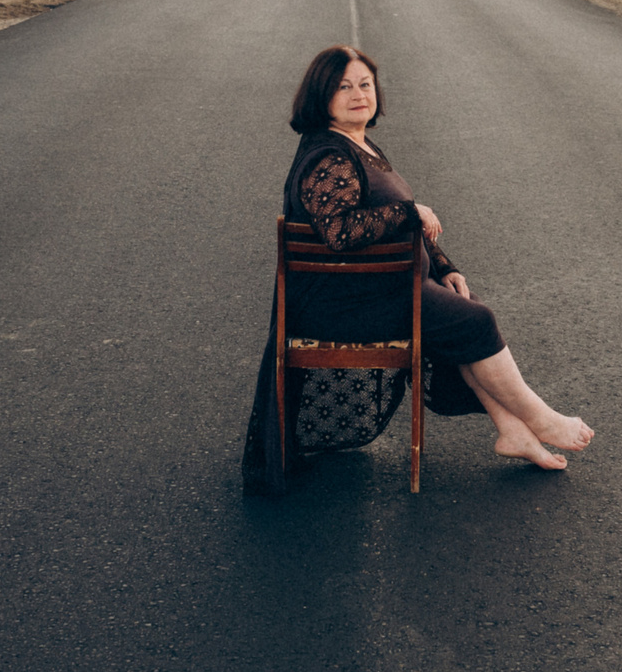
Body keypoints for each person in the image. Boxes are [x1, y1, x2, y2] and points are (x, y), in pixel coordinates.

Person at [255, 43, 594, 480]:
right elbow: (339, 232)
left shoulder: (357, 143)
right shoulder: (329, 157)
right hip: (343, 304)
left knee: (462, 308)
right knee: (474, 321)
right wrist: (409, 212)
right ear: (321, 95)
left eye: (365, 84)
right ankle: (539, 418)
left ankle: (512, 431)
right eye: (343, 87)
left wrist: (445, 266)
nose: (359, 94)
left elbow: (403, 225)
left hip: (376, 289)